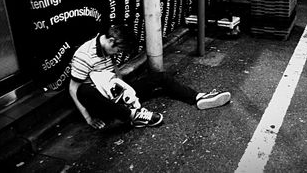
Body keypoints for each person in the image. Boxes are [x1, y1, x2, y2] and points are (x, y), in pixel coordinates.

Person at [69, 24, 231, 129]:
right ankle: (133, 116)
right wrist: (88, 118)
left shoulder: (106, 49)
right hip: (101, 103)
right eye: (118, 50)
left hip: (117, 95)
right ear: (111, 41)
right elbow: (73, 89)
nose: (119, 53)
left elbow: (114, 72)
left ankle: (198, 97)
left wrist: (127, 91)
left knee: (159, 77)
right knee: (84, 90)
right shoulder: (84, 55)